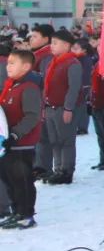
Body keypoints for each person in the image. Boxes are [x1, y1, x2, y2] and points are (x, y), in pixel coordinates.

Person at [0, 50, 44, 230]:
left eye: (12, 63)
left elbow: (32, 117)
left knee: (22, 181)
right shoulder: (11, 86)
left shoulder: (29, 88)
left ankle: (26, 214)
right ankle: (17, 211)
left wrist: (15, 134)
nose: (7, 66)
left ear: (25, 66)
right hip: (8, 144)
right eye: (8, 62)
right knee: (9, 179)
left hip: (21, 145)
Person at [41, 29, 81, 185]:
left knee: (66, 140)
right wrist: (44, 105)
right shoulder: (54, 62)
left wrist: (68, 108)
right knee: (54, 141)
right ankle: (57, 169)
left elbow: (73, 88)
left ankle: (66, 171)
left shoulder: (72, 63)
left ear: (66, 45)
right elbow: (47, 85)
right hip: (51, 107)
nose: (52, 46)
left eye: (55, 43)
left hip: (63, 108)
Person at [28, 24, 53, 180]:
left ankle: (43, 167)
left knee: (43, 136)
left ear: (46, 39)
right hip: (32, 99)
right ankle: (38, 165)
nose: (31, 39)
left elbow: (45, 80)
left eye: (35, 36)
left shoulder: (46, 56)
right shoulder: (36, 55)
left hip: (41, 100)